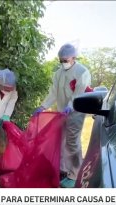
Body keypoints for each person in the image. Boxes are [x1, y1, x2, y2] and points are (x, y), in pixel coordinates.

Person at [33, 43, 92, 188]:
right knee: (61, 140)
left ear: (74, 58)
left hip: (76, 112)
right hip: (61, 112)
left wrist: (70, 107)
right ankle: (63, 169)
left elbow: (79, 94)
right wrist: (43, 106)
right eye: (61, 60)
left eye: (66, 60)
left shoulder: (82, 72)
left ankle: (75, 174)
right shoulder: (58, 73)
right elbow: (53, 93)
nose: (63, 63)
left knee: (72, 142)